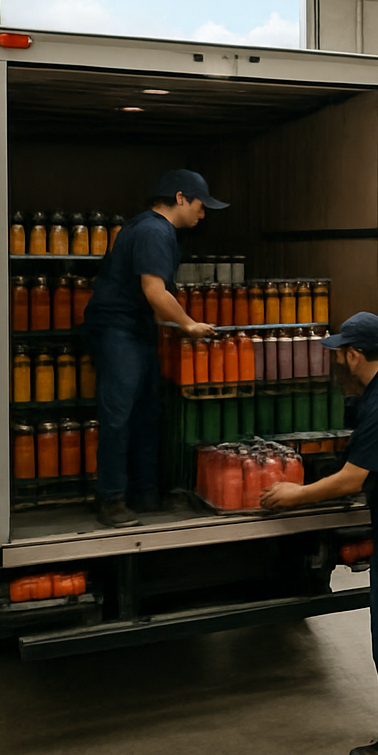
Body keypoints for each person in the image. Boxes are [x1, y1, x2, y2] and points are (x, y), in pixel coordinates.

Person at [260, 312, 378, 755]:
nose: (340, 360)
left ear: (356, 354)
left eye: (343, 352)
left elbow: (350, 480)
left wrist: (295, 495)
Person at [82, 169, 224, 528]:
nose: (202, 214)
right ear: (180, 198)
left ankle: (145, 494)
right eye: (199, 205)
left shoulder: (150, 228)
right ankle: (111, 500)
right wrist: (188, 324)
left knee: (146, 411)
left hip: (137, 328)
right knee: (119, 413)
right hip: (118, 329)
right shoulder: (153, 231)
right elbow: (155, 292)